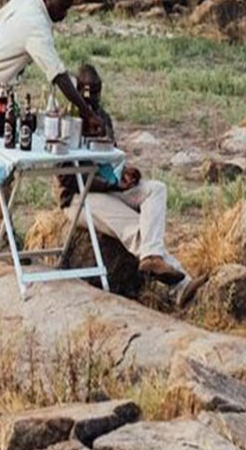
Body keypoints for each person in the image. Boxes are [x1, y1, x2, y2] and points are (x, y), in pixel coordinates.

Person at [0, 0, 95, 243]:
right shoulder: (36, 26)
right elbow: (57, 75)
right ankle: (3, 233)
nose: (63, 15)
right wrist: (86, 112)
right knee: (2, 160)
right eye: (62, 7)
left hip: (1, 84)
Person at [57, 62, 189, 288]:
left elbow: (111, 159)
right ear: (77, 91)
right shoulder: (66, 120)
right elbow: (69, 179)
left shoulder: (102, 117)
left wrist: (126, 172)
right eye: (87, 94)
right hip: (80, 196)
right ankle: (182, 285)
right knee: (135, 227)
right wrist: (112, 186)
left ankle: (152, 258)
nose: (92, 101)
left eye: (96, 94)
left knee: (156, 189)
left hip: (109, 185)